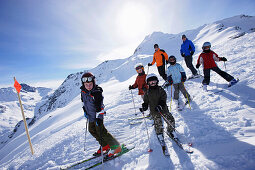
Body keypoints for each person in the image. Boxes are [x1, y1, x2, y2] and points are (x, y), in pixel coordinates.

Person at [80, 72, 121, 158]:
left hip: (98, 115)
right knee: (92, 130)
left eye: (90, 84)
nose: (88, 86)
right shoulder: (83, 91)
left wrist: (99, 117)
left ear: (93, 83)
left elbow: (100, 106)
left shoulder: (96, 92)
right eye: (86, 84)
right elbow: (83, 102)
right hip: (90, 115)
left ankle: (116, 147)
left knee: (101, 131)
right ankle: (105, 145)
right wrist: (85, 111)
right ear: (83, 84)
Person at [140, 73, 176, 140]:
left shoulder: (160, 89)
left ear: (157, 81)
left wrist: (160, 105)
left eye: (154, 81)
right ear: (148, 83)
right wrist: (144, 106)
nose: (153, 82)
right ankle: (159, 134)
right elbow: (146, 101)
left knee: (170, 120)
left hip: (163, 109)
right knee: (158, 124)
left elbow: (163, 98)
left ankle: (170, 131)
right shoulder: (147, 92)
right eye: (150, 81)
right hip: (154, 111)